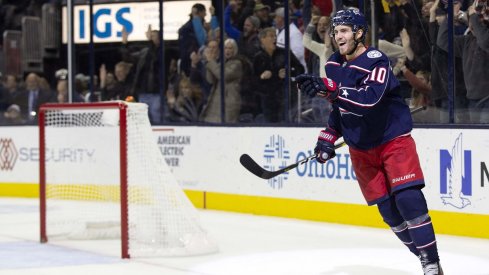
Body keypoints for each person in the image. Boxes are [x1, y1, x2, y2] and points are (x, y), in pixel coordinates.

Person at [295, 9, 443, 275]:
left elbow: (367, 100)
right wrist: (327, 138)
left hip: (391, 139)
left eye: (343, 30)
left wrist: (330, 90)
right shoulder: (332, 64)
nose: (337, 36)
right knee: (389, 213)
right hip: (361, 148)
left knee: (408, 199)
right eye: (335, 31)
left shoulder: (376, 60)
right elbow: (339, 109)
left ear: (359, 33)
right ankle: (423, 256)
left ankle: (431, 263)